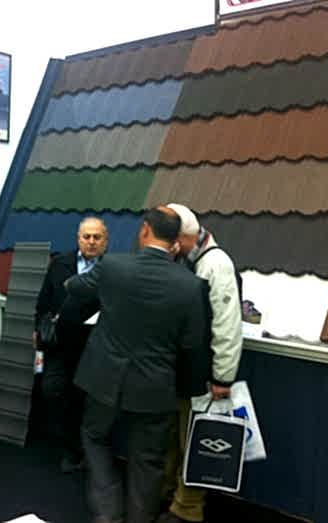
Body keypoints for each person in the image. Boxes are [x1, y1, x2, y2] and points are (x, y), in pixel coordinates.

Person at [65, 207, 210, 523]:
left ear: (145, 230)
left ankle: (108, 512)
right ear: (176, 240)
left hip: (104, 379)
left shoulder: (113, 267)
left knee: (94, 438)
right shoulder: (192, 286)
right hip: (156, 388)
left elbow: (75, 287)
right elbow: (193, 346)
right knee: (148, 461)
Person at [158, 204, 243, 523]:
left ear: (182, 238)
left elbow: (227, 325)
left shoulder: (216, 265)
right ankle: (170, 495)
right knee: (175, 440)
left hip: (203, 375)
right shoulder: (191, 260)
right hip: (182, 371)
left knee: (193, 441)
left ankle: (187, 509)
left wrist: (223, 376)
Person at [33, 217, 108, 473]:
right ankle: (67, 445)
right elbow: (44, 299)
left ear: (105, 241)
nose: (91, 242)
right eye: (86, 236)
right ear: (78, 239)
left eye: (97, 237)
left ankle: (81, 452)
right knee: (52, 390)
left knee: (86, 399)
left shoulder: (112, 269)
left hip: (94, 346)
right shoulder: (60, 263)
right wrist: (38, 328)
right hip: (61, 343)